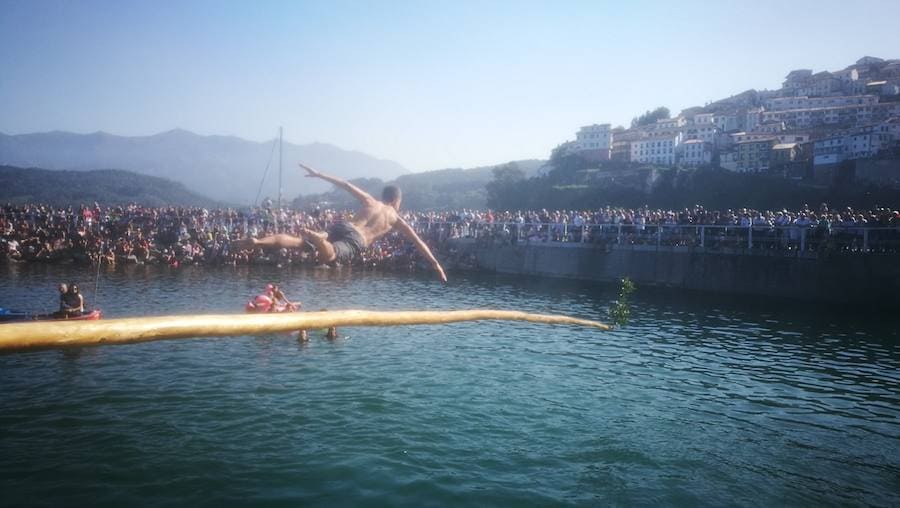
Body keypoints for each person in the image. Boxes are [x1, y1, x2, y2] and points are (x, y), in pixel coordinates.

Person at [234, 163, 447, 282]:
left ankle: (260, 242)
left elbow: (345, 184)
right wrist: (435, 264)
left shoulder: (371, 201)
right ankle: (320, 241)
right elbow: (419, 242)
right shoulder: (395, 219)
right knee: (331, 255)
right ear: (396, 200)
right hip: (357, 239)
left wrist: (318, 174)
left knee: (299, 243)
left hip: (345, 225)